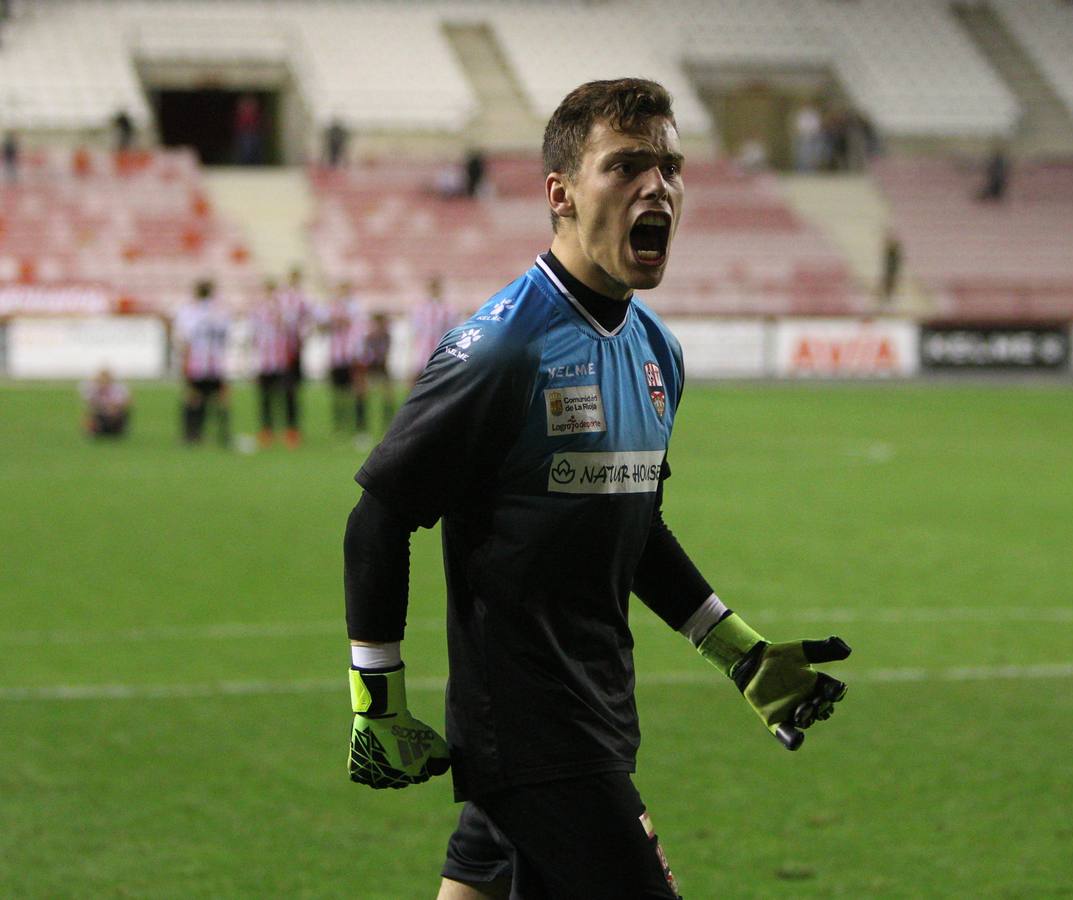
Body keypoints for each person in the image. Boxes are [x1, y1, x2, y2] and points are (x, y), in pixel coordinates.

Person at [342, 78, 852, 899]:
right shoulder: (501, 347)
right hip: (534, 735)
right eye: (626, 167)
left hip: (597, 710)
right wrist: (377, 699)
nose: (658, 187)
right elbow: (379, 516)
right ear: (562, 195)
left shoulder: (656, 351)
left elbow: (634, 525)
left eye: (671, 167)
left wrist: (742, 653)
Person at [173, 279, 231, 446]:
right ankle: (223, 435)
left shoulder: (189, 311)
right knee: (220, 398)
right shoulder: (220, 311)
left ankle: (191, 434)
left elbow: (183, 338)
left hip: (196, 362)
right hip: (216, 362)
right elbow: (226, 335)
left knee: (193, 397)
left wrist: (183, 359)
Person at [249, 279, 299, 449]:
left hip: (282, 360)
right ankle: (266, 430)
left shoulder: (285, 311)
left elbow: (292, 331)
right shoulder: (257, 311)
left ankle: (291, 430)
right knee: (265, 397)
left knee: (287, 396)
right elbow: (254, 334)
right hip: (265, 361)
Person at [323, 281, 366, 435]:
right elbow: (322, 326)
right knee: (338, 393)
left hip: (352, 356)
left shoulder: (355, 307)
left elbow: (359, 330)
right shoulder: (332, 307)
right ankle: (341, 425)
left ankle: (360, 427)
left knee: (357, 390)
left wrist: (358, 352)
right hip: (336, 356)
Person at [277, 266, 313, 447]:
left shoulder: (303, 299)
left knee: (292, 390)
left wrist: (302, 337)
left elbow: (309, 321)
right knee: (281, 389)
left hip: (294, 351)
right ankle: (279, 428)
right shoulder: (280, 299)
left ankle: (293, 429)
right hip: (279, 352)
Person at [408, 275, 459, 379]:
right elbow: (415, 330)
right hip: (423, 349)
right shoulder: (420, 309)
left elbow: (452, 330)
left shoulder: (448, 309)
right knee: (419, 378)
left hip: (440, 348)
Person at [358, 311, 395, 439]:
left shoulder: (386, 336)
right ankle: (362, 429)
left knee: (388, 397)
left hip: (382, 368)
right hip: (371, 368)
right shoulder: (369, 337)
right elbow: (365, 354)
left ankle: (388, 427)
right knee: (363, 395)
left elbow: (385, 353)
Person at [80, 368, 132, 438]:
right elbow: (90, 403)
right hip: (100, 414)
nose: (104, 382)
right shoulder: (94, 389)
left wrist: (114, 408)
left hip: (115, 415)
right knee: (91, 416)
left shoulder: (118, 388)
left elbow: (125, 402)